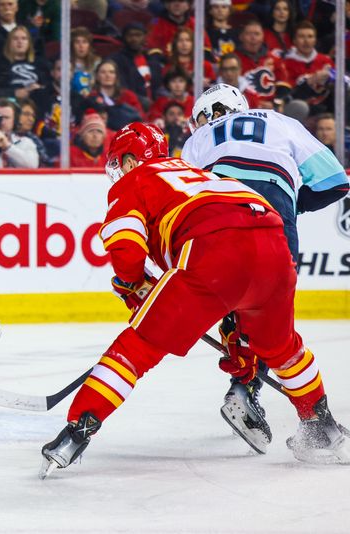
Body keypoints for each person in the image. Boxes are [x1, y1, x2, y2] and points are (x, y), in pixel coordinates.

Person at [40, 122, 350, 476]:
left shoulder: (136, 179)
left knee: (138, 346)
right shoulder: (200, 172)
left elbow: (126, 243)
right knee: (282, 348)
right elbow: (234, 261)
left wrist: (132, 282)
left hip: (215, 251)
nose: (118, 172)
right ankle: (320, 425)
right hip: (274, 246)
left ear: (128, 161)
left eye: (118, 163)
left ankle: (77, 430)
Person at [180, 83, 349, 452]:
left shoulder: (199, 140)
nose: (200, 125)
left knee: (235, 302)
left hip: (219, 219)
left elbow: (184, 206)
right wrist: (294, 202)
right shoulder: (279, 121)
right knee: (268, 315)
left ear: (211, 113)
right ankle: (251, 392)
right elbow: (336, 183)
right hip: (273, 216)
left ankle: (244, 387)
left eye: (201, 118)